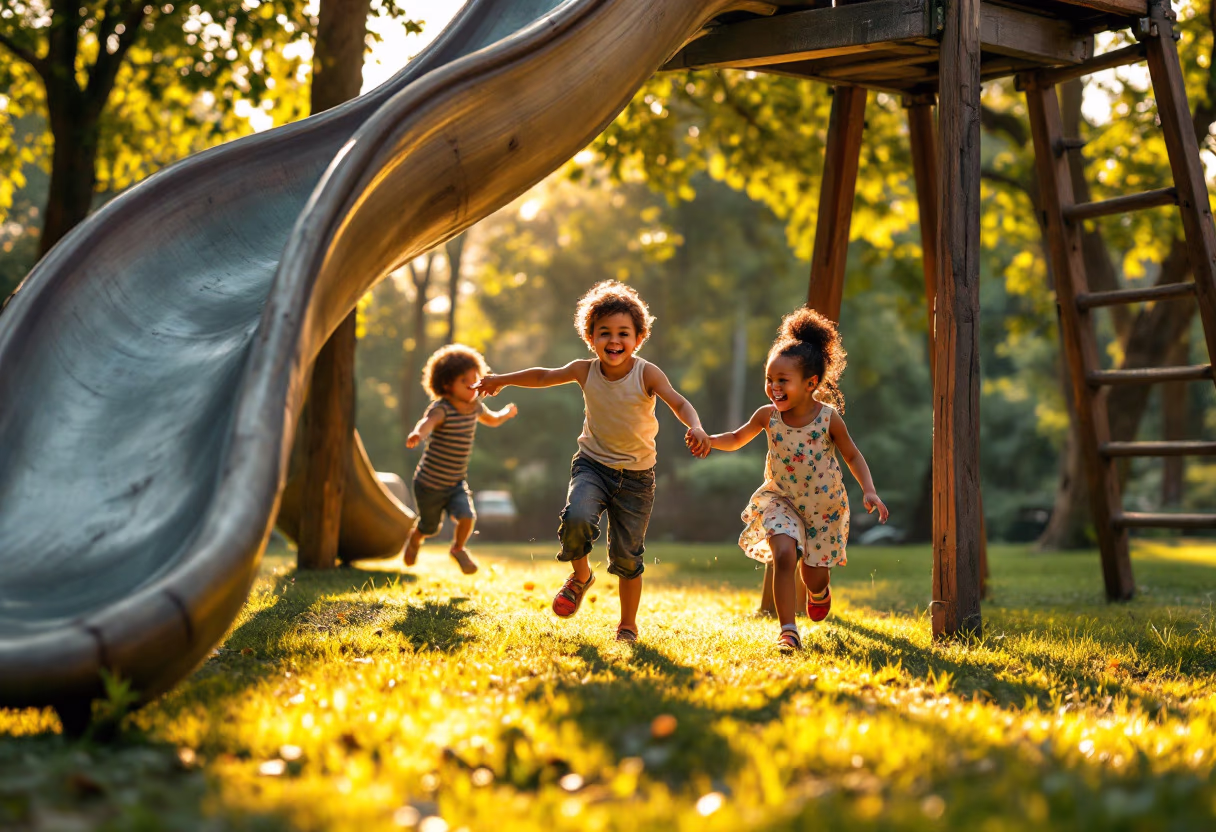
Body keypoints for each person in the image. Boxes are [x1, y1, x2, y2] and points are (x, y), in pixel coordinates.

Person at [475, 280, 710, 642]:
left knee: (628, 556)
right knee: (576, 519)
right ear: (591, 337)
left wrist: (695, 425)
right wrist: (502, 380)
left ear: (638, 338)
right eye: (605, 333)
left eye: (623, 333)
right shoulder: (584, 370)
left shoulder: (647, 373)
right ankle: (581, 577)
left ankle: (627, 625)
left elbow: (678, 402)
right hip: (592, 465)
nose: (614, 341)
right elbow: (543, 375)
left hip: (637, 477)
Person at [707, 307, 888, 651]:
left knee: (812, 576)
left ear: (810, 383)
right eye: (769, 379)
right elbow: (735, 437)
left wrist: (869, 491)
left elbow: (852, 455)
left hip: (824, 508)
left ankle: (819, 591)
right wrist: (709, 440)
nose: (773, 387)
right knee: (784, 554)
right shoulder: (767, 416)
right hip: (782, 501)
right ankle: (788, 630)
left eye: (782, 381)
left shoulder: (828, 418)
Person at [405, 344, 517, 574]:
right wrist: (418, 433)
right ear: (447, 384)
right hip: (429, 484)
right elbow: (427, 423)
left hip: (455, 482)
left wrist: (506, 413)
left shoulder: (475, 407)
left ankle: (458, 548)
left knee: (467, 517)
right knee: (430, 528)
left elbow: (493, 420)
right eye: (465, 381)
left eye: (475, 379)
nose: (472, 385)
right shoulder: (442, 409)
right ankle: (415, 538)